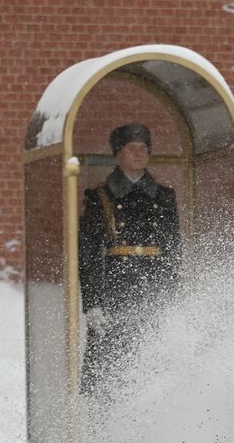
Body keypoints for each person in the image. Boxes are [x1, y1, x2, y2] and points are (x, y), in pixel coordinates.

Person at [77, 122, 182, 395]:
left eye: (144, 148)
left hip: (153, 287)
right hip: (116, 288)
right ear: (117, 154)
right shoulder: (100, 197)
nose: (139, 153)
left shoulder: (164, 196)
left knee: (152, 364)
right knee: (109, 364)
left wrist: (173, 297)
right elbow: (88, 252)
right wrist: (92, 303)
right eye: (131, 148)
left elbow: (173, 250)